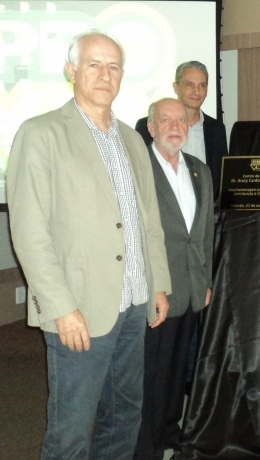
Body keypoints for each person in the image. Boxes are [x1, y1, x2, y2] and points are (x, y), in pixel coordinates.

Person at [7, 30, 171, 459]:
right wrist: (60, 306)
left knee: (124, 418)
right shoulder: (40, 133)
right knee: (72, 431)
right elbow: (29, 231)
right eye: (94, 64)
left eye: (113, 66)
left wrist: (158, 283)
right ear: (71, 71)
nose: (104, 74)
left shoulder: (132, 139)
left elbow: (148, 221)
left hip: (134, 303)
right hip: (79, 308)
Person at [134, 98, 214, 459]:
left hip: (192, 289)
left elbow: (205, 233)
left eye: (181, 120)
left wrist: (206, 281)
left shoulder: (199, 170)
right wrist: (155, 287)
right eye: (165, 120)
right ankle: (146, 445)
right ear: (151, 128)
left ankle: (169, 430)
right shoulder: (139, 169)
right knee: (151, 373)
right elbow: (135, 236)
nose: (174, 126)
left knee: (178, 368)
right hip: (157, 292)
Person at [135, 61, 228, 199]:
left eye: (202, 85)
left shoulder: (217, 129)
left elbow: (221, 179)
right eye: (189, 84)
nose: (196, 92)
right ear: (176, 87)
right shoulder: (146, 126)